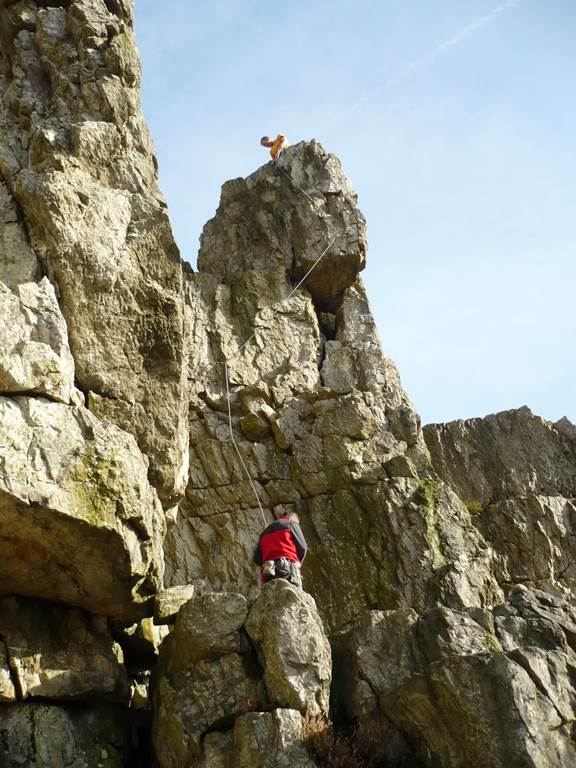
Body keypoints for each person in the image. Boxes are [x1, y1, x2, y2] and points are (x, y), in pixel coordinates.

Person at [253, 511, 307, 587]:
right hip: (288, 566)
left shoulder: (264, 533)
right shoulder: (292, 524)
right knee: (292, 591)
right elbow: (303, 547)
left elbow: (257, 558)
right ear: (292, 518)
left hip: (268, 572)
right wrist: (298, 564)